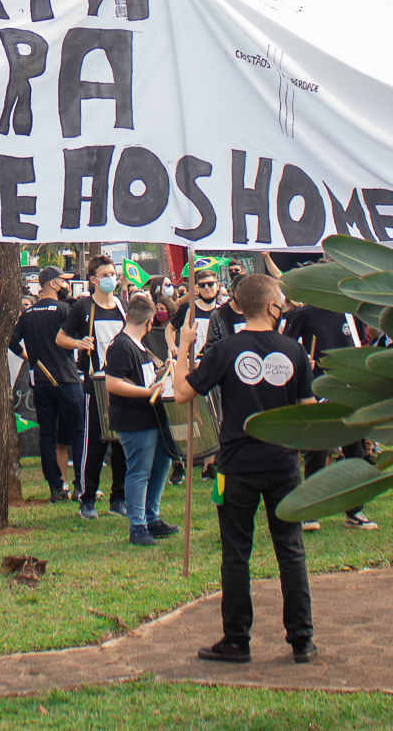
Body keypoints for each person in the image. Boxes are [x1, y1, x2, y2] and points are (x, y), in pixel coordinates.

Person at [170, 273, 318, 665]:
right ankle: (301, 638)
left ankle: (237, 639)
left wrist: (183, 350)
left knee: (236, 554)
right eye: (281, 300)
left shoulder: (225, 349)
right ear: (272, 306)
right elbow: (308, 412)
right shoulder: (295, 351)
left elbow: (182, 392)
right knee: (291, 551)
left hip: (235, 464)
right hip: (283, 462)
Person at [280, 298, 381, 531]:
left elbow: (358, 345)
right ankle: (311, 510)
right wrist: (303, 363)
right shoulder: (304, 314)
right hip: (316, 391)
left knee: (354, 450)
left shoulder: (348, 312)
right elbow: (287, 347)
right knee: (316, 452)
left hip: (346, 390)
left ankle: (355, 511)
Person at [8, 269, 92, 503]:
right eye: (63, 281)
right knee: (79, 433)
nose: (67, 285)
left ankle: (56, 487)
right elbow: (83, 337)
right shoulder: (65, 310)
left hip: (41, 381)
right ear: (53, 285)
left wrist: (29, 357)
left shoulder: (27, 314)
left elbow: (12, 341)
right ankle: (80, 485)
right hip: (67, 378)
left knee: (48, 435)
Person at [104, 293, 179, 546]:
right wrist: (147, 392)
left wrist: (162, 372)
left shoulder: (137, 345)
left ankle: (151, 517)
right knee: (139, 471)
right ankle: (137, 526)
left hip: (151, 417)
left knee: (160, 467)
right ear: (148, 323)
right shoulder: (122, 345)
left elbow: (139, 377)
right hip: (134, 420)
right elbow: (113, 383)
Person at [69, 255, 129, 520]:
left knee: (121, 443)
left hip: (122, 383)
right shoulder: (82, 307)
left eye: (112, 274)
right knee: (94, 443)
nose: (110, 279)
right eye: (104, 275)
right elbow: (62, 337)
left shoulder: (122, 306)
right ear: (93, 280)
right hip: (95, 384)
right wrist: (80, 343)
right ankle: (87, 497)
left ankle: (119, 498)